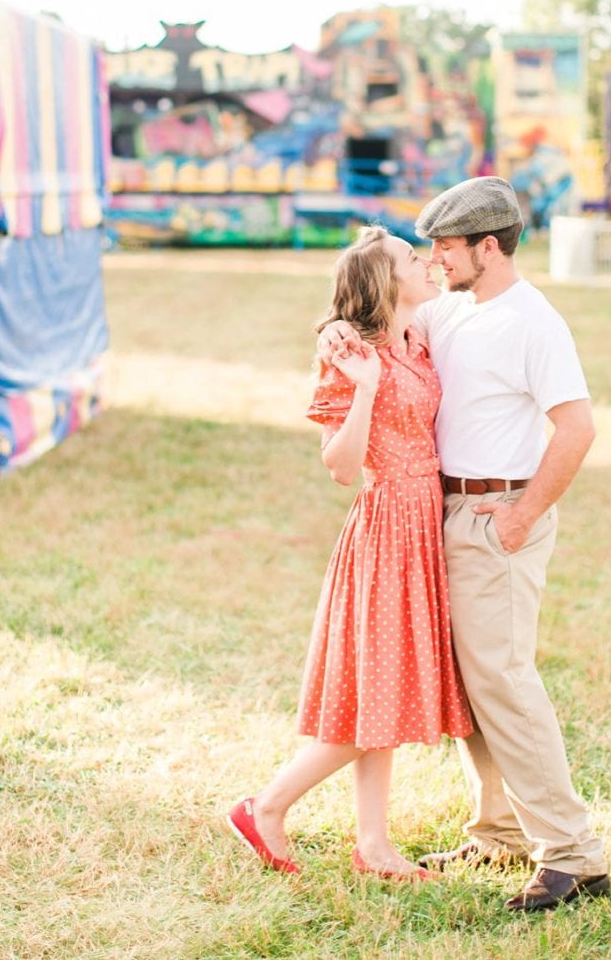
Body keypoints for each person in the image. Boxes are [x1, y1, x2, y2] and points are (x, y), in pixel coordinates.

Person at [319, 176, 609, 914]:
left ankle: (572, 854)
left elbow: (576, 430)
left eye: (447, 248)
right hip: (438, 513)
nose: (435, 259)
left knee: (504, 681)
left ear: (489, 246)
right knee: (470, 684)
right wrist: (334, 331)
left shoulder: (532, 322)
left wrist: (519, 518)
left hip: (499, 513)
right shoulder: (449, 310)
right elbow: (379, 318)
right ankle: (500, 830)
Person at [228, 225, 471, 880]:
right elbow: (339, 467)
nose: (424, 263)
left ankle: (373, 845)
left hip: (423, 523)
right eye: (410, 258)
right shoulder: (353, 357)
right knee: (376, 696)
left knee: (383, 692)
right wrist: (362, 384)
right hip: (387, 526)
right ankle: (267, 806)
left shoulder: (421, 334)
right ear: (384, 281)